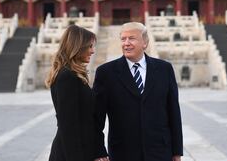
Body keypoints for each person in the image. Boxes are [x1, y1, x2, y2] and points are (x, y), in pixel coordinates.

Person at [94, 22, 183, 161]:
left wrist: (177, 151)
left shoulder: (164, 69)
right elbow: (97, 118)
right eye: (123, 39)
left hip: (160, 151)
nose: (126, 43)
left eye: (132, 38)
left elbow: (174, 113)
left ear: (145, 43)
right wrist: (99, 151)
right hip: (122, 152)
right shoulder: (106, 73)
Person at [46, 25, 96, 161]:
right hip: (71, 153)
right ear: (78, 47)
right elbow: (68, 125)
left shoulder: (72, 74)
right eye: (89, 46)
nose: (92, 51)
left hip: (79, 148)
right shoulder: (67, 77)